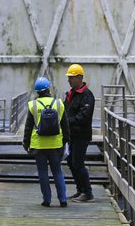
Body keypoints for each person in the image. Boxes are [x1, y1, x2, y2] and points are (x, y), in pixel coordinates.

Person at [23, 77, 70, 207]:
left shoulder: (33, 105)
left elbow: (28, 127)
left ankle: (47, 200)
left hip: (38, 145)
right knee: (57, 171)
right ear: (49, 88)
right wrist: (66, 141)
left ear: (37, 92)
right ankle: (63, 199)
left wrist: (26, 143)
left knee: (43, 172)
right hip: (56, 144)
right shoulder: (59, 103)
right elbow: (65, 125)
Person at [64, 64, 95, 202]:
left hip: (81, 135)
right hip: (72, 135)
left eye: (71, 77)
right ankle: (80, 190)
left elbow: (84, 116)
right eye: (69, 78)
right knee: (71, 162)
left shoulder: (87, 96)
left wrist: (67, 122)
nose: (69, 80)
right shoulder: (71, 95)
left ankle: (87, 193)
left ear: (79, 77)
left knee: (78, 162)